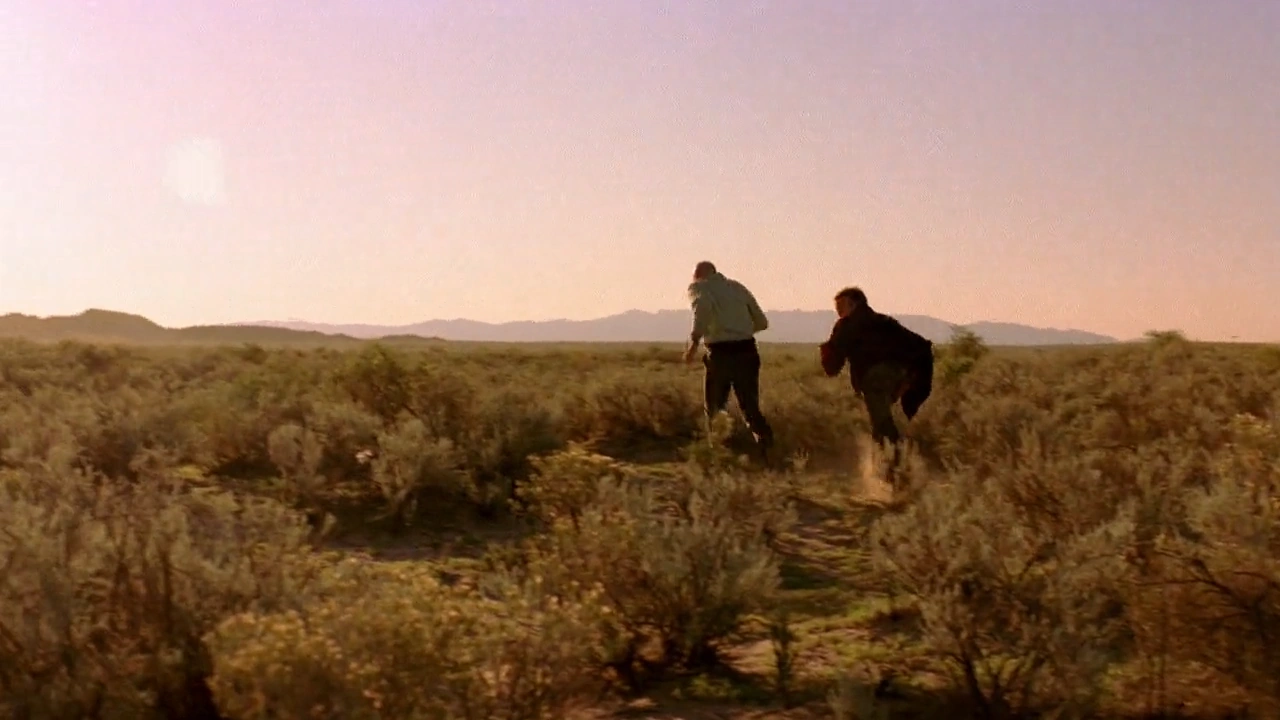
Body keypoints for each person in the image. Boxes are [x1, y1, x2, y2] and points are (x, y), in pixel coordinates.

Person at [819, 286, 934, 454]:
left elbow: (833, 363)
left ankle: (895, 457)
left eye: (841, 306)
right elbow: (921, 346)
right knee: (881, 417)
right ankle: (894, 454)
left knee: (881, 420)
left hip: (877, 379)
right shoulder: (884, 321)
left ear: (853, 304)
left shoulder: (848, 325)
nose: (838, 311)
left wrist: (826, 352)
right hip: (903, 375)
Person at [683, 261, 775, 458]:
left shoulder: (700, 287)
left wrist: (694, 344)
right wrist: (739, 330)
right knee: (750, 407)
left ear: (698, 275)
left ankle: (718, 453)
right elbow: (762, 322)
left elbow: (702, 310)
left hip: (721, 353)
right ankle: (768, 450)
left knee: (715, 408)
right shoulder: (738, 288)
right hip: (747, 350)